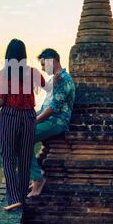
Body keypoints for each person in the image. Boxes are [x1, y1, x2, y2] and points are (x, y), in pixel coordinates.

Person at [0, 39, 45, 211]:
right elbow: (48, 88)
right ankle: (22, 197)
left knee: (8, 158)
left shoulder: (4, 74)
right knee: (24, 158)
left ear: (8, 56)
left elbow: (1, 101)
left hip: (10, 115)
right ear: (24, 55)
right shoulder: (32, 73)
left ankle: (14, 198)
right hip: (29, 116)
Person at [28, 48, 76, 197]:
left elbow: (53, 109)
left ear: (52, 61)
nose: (42, 68)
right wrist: (28, 118)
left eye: (43, 65)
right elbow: (44, 107)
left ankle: (38, 178)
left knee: (21, 137)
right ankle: (35, 175)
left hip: (57, 122)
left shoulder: (63, 79)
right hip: (49, 120)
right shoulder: (54, 79)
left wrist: (33, 122)